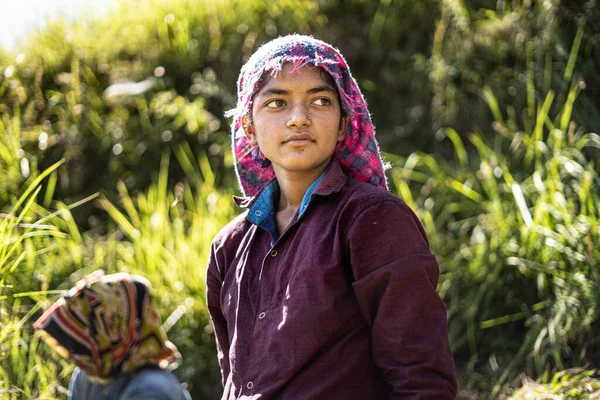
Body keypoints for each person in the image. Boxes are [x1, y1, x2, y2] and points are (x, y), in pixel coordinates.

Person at [206, 34, 457, 399]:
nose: (298, 119)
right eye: (276, 102)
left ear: (342, 124)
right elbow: (233, 377)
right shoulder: (228, 248)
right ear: (249, 127)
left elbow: (421, 379)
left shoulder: (371, 220)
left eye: (320, 101)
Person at [34, 270, 192, 400]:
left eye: (86, 340)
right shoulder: (90, 375)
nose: (78, 355)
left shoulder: (153, 391)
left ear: (115, 335)